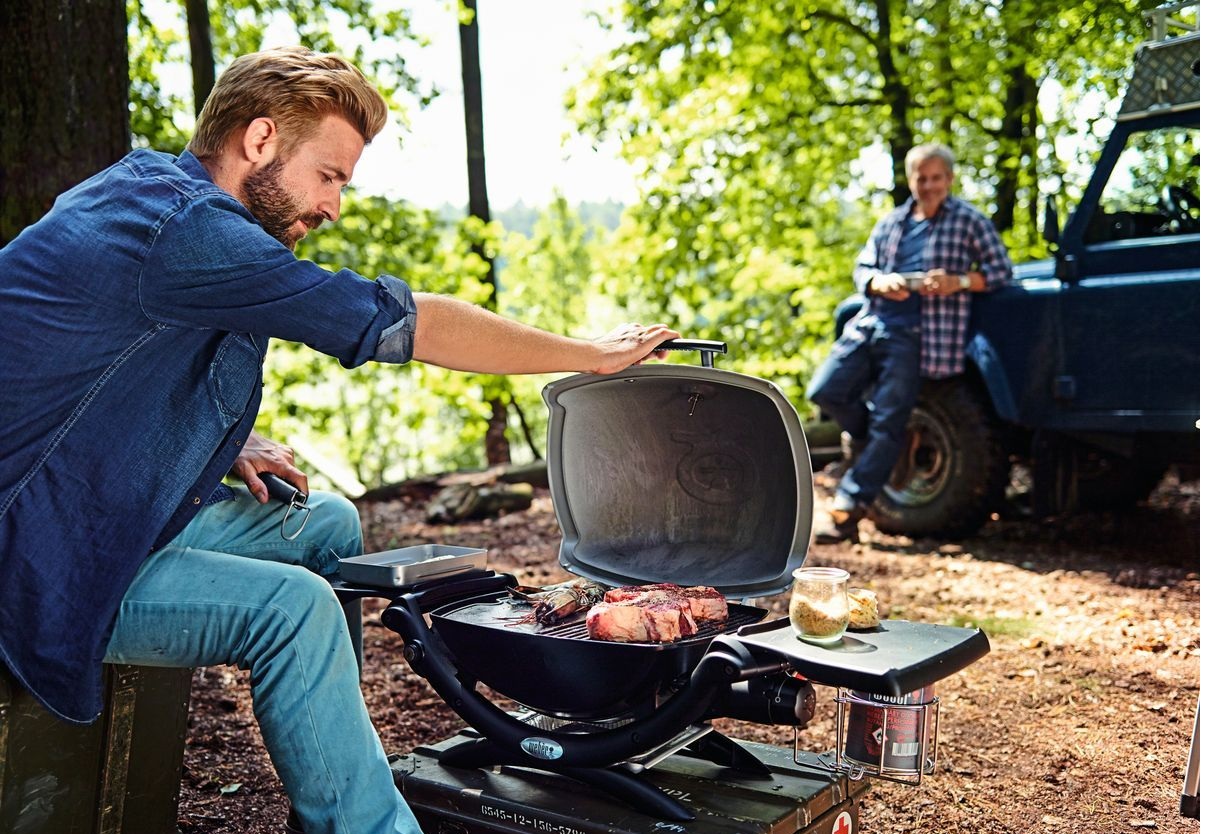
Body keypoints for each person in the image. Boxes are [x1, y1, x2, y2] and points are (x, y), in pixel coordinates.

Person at [0, 47, 678, 834]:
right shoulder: (189, 232)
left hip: (94, 512)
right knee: (296, 609)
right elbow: (404, 322)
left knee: (328, 525)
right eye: (330, 176)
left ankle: (327, 785)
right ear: (259, 142)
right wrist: (588, 354)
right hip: (37, 556)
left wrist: (236, 441)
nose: (335, 207)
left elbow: (85, 362)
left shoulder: (151, 196)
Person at [807, 143, 1011, 543]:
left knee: (888, 419)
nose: (929, 185)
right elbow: (863, 267)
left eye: (937, 178)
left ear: (949, 180)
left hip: (919, 335)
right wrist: (878, 281)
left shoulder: (968, 221)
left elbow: (1001, 271)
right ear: (911, 178)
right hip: (871, 322)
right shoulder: (893, 221)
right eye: (922, 177)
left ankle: (849, 506)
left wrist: (959, 281)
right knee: (825, 392)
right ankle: (887, 442)